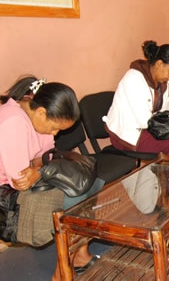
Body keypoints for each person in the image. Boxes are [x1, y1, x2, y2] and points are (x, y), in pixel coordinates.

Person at [0, 76, 97, 280]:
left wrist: (38, 169)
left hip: (28, 183)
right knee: (78, 199)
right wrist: (38, 168)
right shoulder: (13, 121)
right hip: (7, 195)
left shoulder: (38, 116)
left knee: (91, 186)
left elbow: (46, 157)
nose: (55, 133)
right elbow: (21, 179)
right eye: (55, 128)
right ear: (42, 112)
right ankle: (61, 271)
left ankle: (79, 254)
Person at [103, 40, 169, 158]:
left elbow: (166, 110)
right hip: (130, 134)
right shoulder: (134, 79)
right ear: (159, 64)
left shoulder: (162, 81)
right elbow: (144, 121)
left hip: (151, 126)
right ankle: (168, 176)